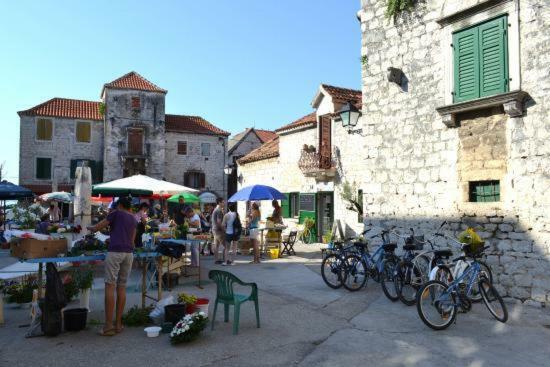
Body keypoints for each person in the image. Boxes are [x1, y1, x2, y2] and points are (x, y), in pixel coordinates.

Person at [87, 197, 137, 336]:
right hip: (128, 254)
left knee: (110, 286)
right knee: (121, 287)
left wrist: (89, 227)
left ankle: (108, 326)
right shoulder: (133, 218)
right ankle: (119, 324)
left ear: (120, 205)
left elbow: (98, 227)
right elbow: (131, 241)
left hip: (115, 252)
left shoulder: (116, 213)